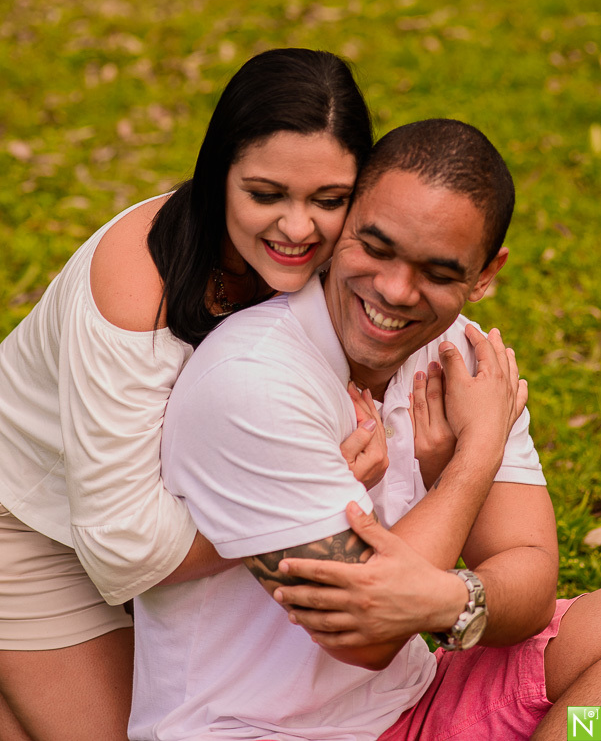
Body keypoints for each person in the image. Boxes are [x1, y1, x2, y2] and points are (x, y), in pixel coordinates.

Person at [130, 118, 601, 741]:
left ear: (485, 274)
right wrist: (472, 460)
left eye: (437, 272)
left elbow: (534, 577)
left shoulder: (462, 360)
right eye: (376, 249)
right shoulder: (253, 380)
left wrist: (446, 602)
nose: (394, 291)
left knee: (590, 719)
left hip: (412, 705)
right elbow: (367, 633)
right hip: (261, 731)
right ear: (342, 222)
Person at [0, 48, 383, 741]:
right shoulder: (134, 282)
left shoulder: (367, 277)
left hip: (188, 531)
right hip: (30, 526)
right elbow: (124, 548)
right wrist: (298, 496)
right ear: (217, 180)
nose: (298, 229)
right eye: (265, 194)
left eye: (328, 200)